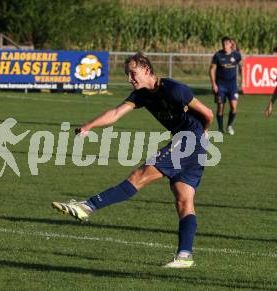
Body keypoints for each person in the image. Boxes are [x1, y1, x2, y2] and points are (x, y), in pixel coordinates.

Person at [52, 53, 214, 268]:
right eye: (127, 74)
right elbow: (116, 113)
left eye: (132, 73)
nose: (129, 78)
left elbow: (208, 113)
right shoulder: (141, 95)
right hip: (191, 146)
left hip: (189, 142)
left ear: (147, 70)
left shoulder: (174, 89)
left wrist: (204, 133)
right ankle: (185, 255)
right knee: (184, 200)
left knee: (139, 176)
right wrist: (89, 125)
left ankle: (88, 206)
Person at [210, 36, 242, 135]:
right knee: (220, 108)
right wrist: (214, 84)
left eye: (227, 43)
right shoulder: (218, 55)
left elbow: (242, 68)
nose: (225, 45)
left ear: (230, 44)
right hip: (221, 86)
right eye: (223, 44)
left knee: (233, 107)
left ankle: (229, 126)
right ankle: (220, 128)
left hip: (232, 86)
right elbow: (212, 70)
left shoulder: (236, 55)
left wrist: (243, 81)